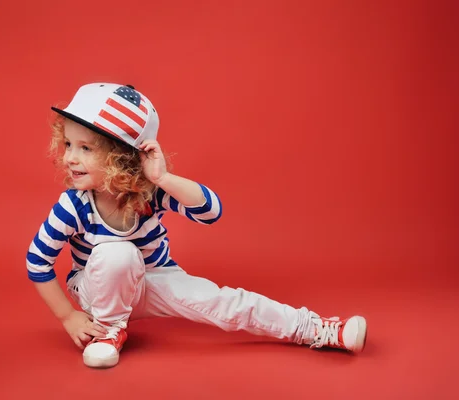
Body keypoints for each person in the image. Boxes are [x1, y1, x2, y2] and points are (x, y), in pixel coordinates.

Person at [26, 82, 367, 368]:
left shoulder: (150, 194)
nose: (70, 156)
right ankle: (110, 329)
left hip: (151, 280)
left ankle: (312, 328)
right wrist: (67, 317)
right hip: (97, 288)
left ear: (122, 157)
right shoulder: (73, 205)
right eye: (69, 144)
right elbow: (37, 262)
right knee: (118, 254)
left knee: (225, 301)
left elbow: (210, 211)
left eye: (85, 148)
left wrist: (162, 178)